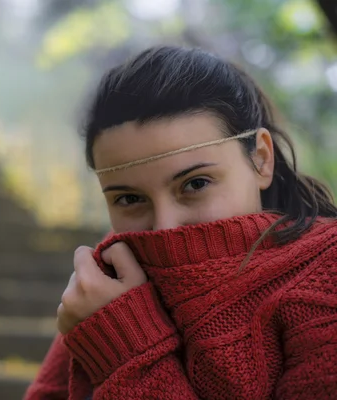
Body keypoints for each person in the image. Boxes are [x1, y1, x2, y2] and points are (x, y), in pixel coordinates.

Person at [24, 46, 337, 400]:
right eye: (129, 199)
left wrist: (127, 353)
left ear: (261, 160)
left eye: (195, 184)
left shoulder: (327, 275)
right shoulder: (112, 282)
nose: (164, 227)